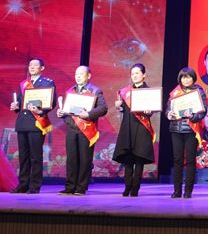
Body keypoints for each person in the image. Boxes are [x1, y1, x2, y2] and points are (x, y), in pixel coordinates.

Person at [56, 66, 108, 195]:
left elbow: (103, 108)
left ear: (88, 76)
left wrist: (88, 114)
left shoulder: (95, 91)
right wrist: (62, 113)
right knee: (71, 159)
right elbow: (68, 111)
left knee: (85, 159)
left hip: (86, 129)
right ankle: (70, 187)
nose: (78, 76)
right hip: (72, 128)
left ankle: (81, 187)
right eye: (76, 74)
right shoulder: (71, 91)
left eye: (81, 74)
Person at [9, 58, 55, 194]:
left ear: (42, 68)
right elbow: (20, 102)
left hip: (36, 123)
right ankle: (23, 184)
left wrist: (41, 111)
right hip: (23, 122)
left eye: (35, 65)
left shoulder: (47, 82)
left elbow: (52, 102)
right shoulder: (24, 83)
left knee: (35, 156)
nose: (32, 67)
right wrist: (16, 106)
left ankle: (34, 185)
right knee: (23, 156)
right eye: (30, 65)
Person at [112, 63, 156, 197]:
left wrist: (149, 111)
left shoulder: (149, 92)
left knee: (139, 159)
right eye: (132, 74)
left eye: (137, 73)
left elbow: (151, 111)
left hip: (142, 128)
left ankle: (135, 187)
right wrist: (119, 107)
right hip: (128, 127)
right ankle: (127, 186)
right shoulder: (125, 91)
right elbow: (124, 110)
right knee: (128, 159)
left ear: (144, 75)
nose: (134, 76)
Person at [166, 67, 207, 199]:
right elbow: (168, 109)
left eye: (188, 77)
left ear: (193, 78)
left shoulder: (199, 91)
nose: (186, 79)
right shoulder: (175, 92)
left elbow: (203, 111)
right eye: (184, 77)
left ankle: (188, 191)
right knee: (177, 160)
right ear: (180, 79)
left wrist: (193, 116)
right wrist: (169, 114)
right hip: (176, 128)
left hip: (191, 129)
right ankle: (177, 190)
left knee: (190, 160)